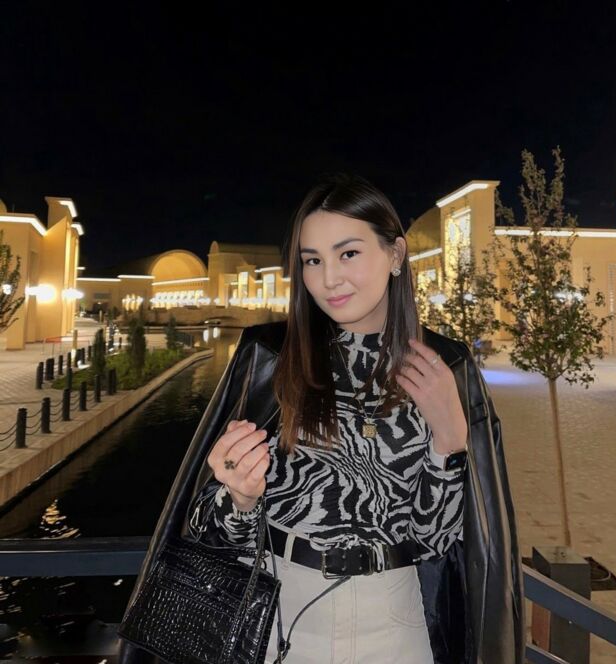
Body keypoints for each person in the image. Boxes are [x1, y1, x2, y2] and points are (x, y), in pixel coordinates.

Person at [118, 174, 524, 664]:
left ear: (396, 255)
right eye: (312, 260)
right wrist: (240, 499)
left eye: (348, 253)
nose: (328, 278)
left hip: (397, 623)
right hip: (276, 617)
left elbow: (438, 541)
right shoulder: (270, 356)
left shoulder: (446, 367)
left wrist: (449, 444)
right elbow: (209, 530)